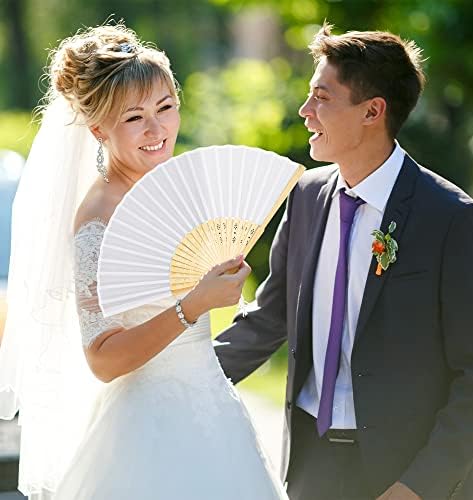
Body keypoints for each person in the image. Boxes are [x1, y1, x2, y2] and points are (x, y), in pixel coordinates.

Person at [0, 23, 288, 500]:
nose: (157, 130)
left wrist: (224, 279)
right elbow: (103, 359)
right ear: (99, 129)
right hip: (144, 433)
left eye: (166, 108)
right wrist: (193, 305)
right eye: (134, 118)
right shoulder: (98, 217)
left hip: (216, 416)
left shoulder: (177, 188)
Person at [215, 24, 473, 500]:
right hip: (313, 467)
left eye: (321, 98)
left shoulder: (451, 219)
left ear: (373, 111)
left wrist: (417, 486)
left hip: (408, 475)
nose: (305, 113)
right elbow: (269, 317)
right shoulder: (304, 196)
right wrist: (180, 378)